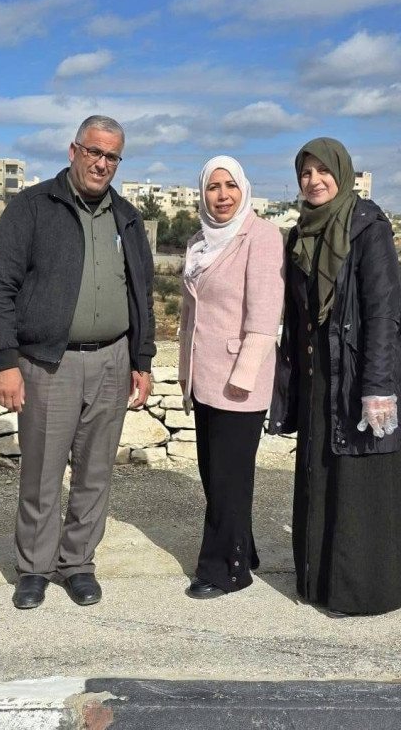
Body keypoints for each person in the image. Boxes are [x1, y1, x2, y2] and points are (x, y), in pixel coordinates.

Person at [0, 115, 155, 609]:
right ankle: (34, 568)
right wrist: (5, 362)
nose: (102, 163)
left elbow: (141, 291)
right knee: (41, 472)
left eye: (112, 156)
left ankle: (77, 563)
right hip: (48, 363)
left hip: (113, 360)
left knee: (96, 472)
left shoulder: (127, 217)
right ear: (74, 150)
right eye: (94, 151)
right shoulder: (33, 206)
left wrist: (142, 359)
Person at [269, 137, 401, 616]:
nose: (314, 181)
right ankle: (318, 582)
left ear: (343, 173)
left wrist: (378, 386)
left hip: (359, 372)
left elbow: (382, 311)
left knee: (360, 480)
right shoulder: (300, 233)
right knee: (320, 476)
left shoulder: (368, 226)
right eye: (305, 173)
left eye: (323, 171)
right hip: (318, 374)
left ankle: (364, 592)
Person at [177, 156, 284, 599]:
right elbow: (191, 314)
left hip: (240, 379)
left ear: (244, 189)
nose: (222, 195)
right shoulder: (199, 242)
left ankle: (225, 571)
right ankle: (244, 549)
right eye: (213, 187)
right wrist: (185, 371)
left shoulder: (262, 236)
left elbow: (264, 316)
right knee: (215, 474)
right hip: (204, 376)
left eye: (230, 186)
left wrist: (244, 375)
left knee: (228, 478)